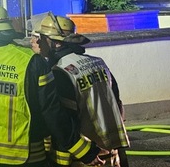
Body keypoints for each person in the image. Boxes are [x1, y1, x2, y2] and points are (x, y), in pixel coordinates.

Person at [0, 1, 103, 167]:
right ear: (8, 29)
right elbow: (52, 112)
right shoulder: (32, 62)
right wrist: (84, 151)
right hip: (21, 156)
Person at [33, 14, 129, 167]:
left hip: (84, 157)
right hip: (111, 152)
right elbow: (117, 103)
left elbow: (64, 120)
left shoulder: (60, 72)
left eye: (42, 38)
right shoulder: (98, 63)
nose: (38, 42)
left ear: (56, 43)